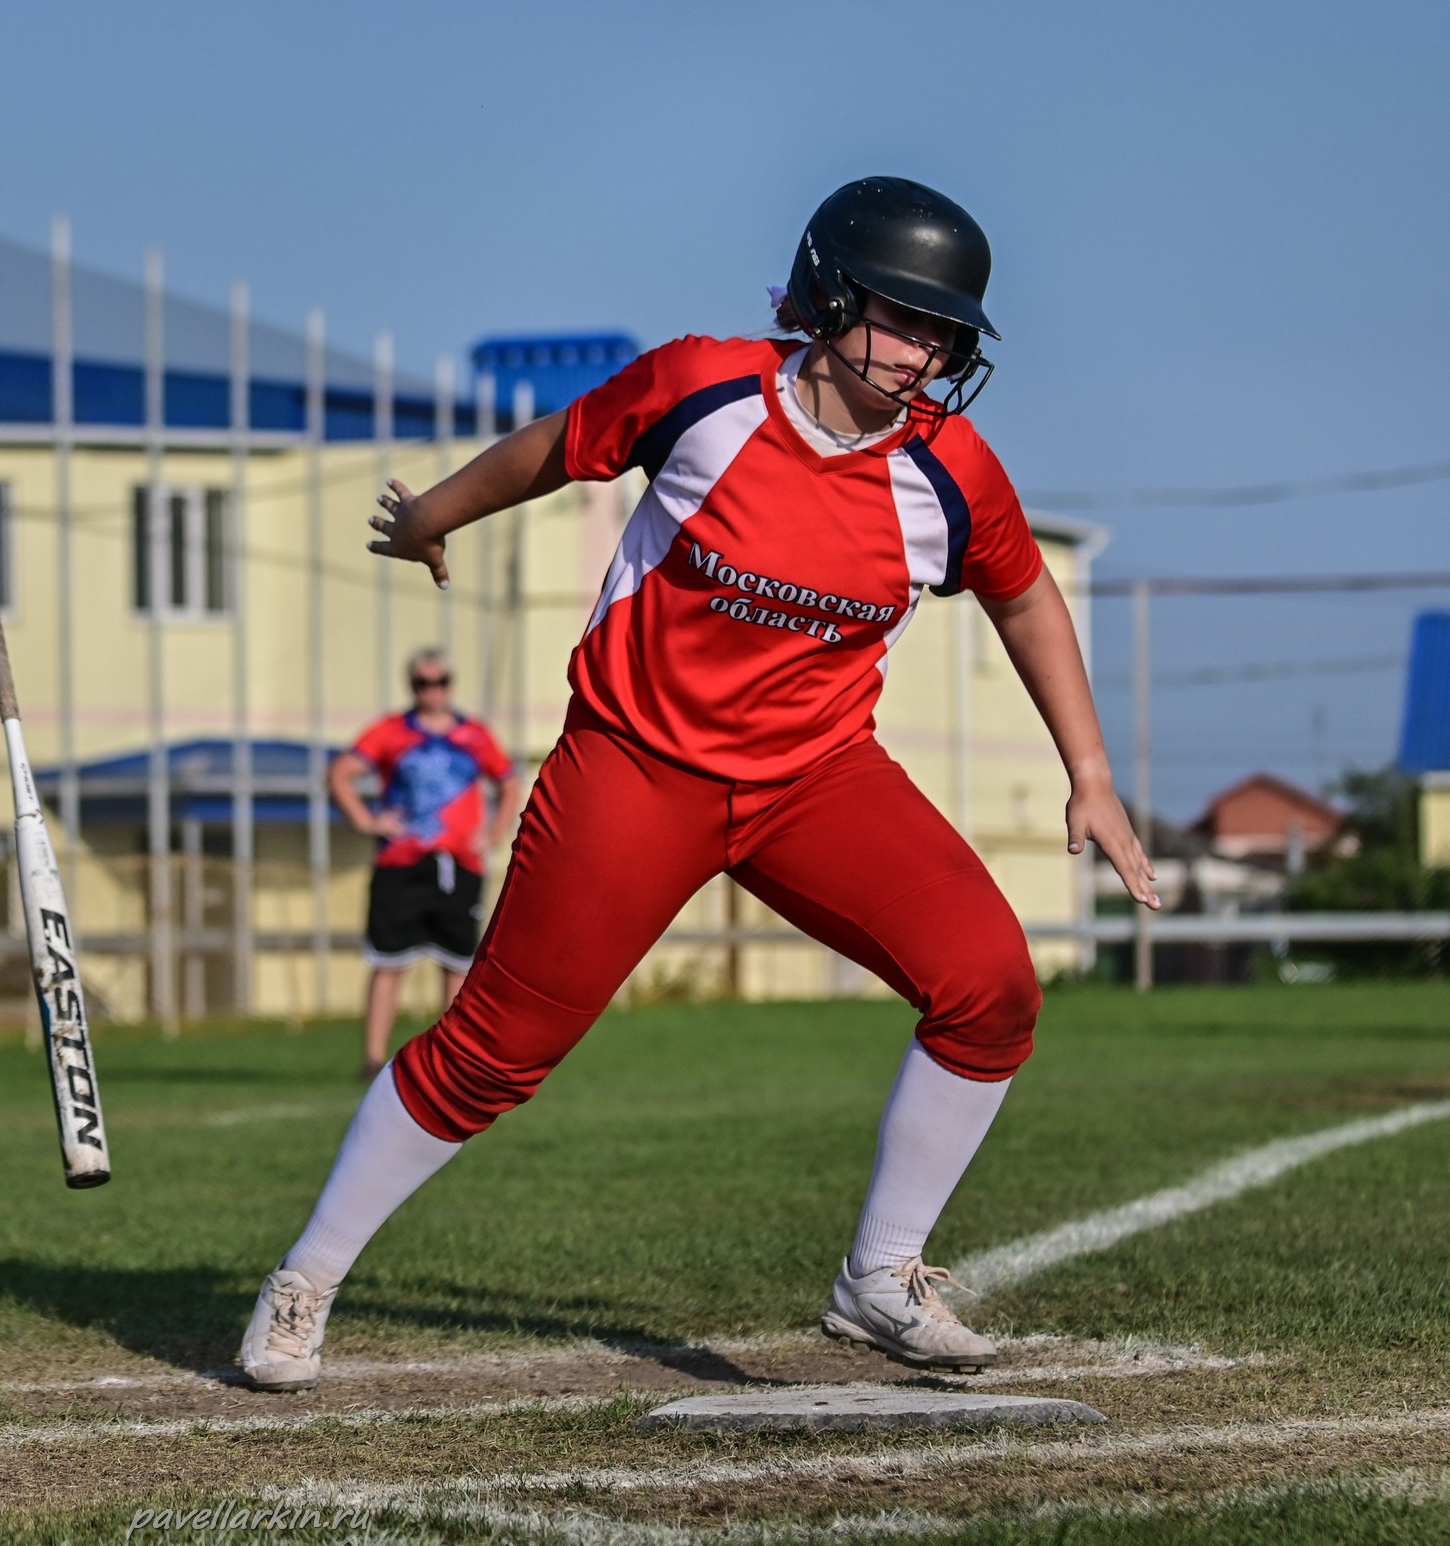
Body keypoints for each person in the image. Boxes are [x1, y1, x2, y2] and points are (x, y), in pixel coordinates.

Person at [239, 177, 1158, 1391]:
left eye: (946, 333)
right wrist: (430, 520)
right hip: (637, 766)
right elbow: (552, 449)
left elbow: (1025, 594)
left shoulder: (950, 469)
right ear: (829, 295)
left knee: (990, 988)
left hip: (816, 777)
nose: (925, 351)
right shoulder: (703, 389)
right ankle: (306, 1277)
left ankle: (882, 1275)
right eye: (904, 317)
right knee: (495, 1051)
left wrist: (1089, 771)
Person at [331, 649, 517, 1077]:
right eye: (423, 683)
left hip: (459, 864)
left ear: (451, 684)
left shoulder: (475, 735)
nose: (433, 691)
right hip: (401, 864)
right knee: (389, 963)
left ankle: (449, 1060)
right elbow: (340, 773)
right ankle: (373, 1059)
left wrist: (494, 833)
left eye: (440, 682)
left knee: (456, 965)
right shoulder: (391, 732)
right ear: (412, 686)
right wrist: (367, 820)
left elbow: (508, 783)